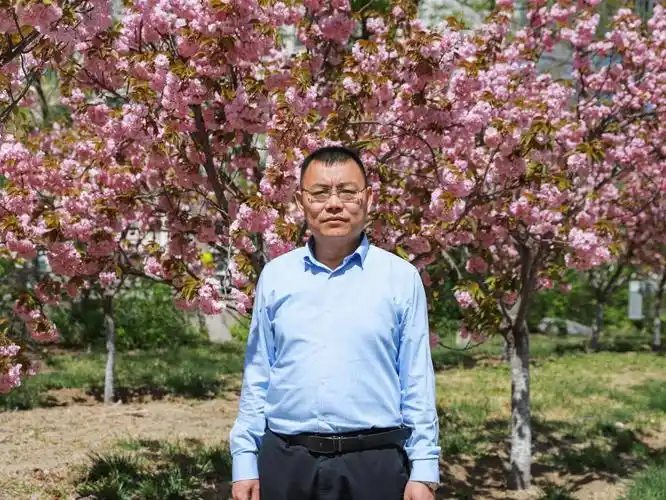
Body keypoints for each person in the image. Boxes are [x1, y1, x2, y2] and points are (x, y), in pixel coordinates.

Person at [229, 146, 440, 500]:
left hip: (374, 462)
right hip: (286, 460)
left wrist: (424, 469)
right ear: (301, 201)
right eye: (320, 192)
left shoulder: (400, 278)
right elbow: (258, 374)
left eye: (346, 191)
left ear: (368, 198)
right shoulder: (277, 276)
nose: (334, 204)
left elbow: (416, 379)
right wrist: (245, 459)